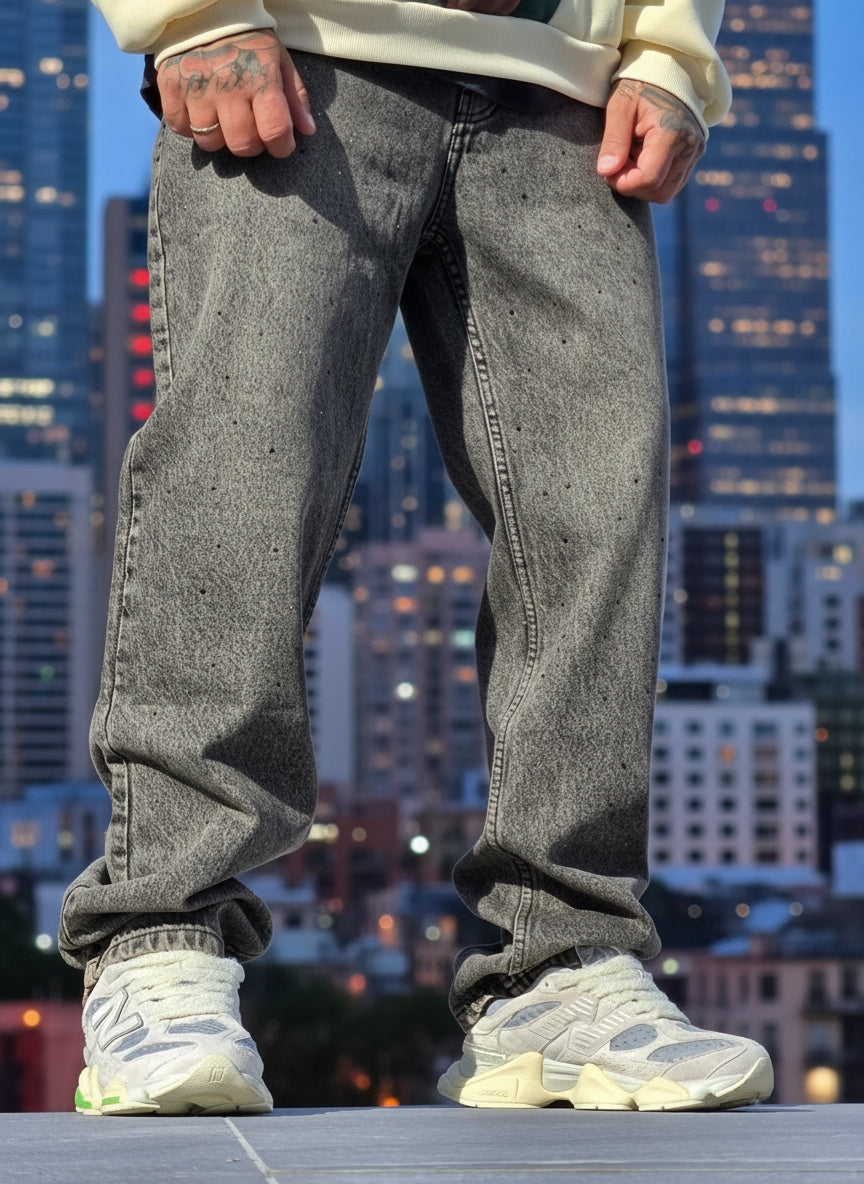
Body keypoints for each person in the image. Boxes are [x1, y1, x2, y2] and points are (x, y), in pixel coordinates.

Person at [62, 0, 773, 1115]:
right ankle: (160, 935)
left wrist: (670, 52)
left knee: (597, 514)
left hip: (570, 85)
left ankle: (562, 964)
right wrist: (193, 13)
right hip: (303, 51)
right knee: (243, 474)